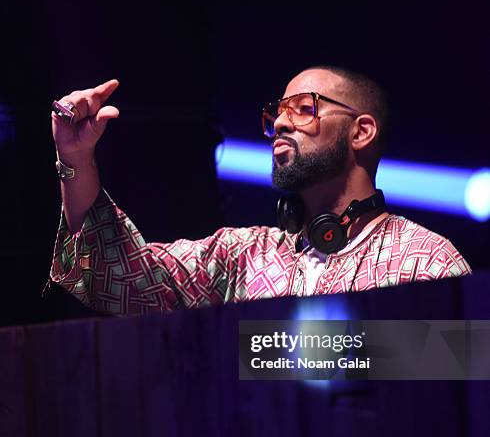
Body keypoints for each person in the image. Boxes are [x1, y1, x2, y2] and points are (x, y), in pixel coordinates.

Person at [46, 66, 471, 315]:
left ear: (361, 132)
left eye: (304, 109)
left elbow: (460, 361)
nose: (281, 125)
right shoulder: (242, 258)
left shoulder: (424, 258)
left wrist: (265, 350)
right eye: (278, 114)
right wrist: (75, 157)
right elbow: (112, 271)